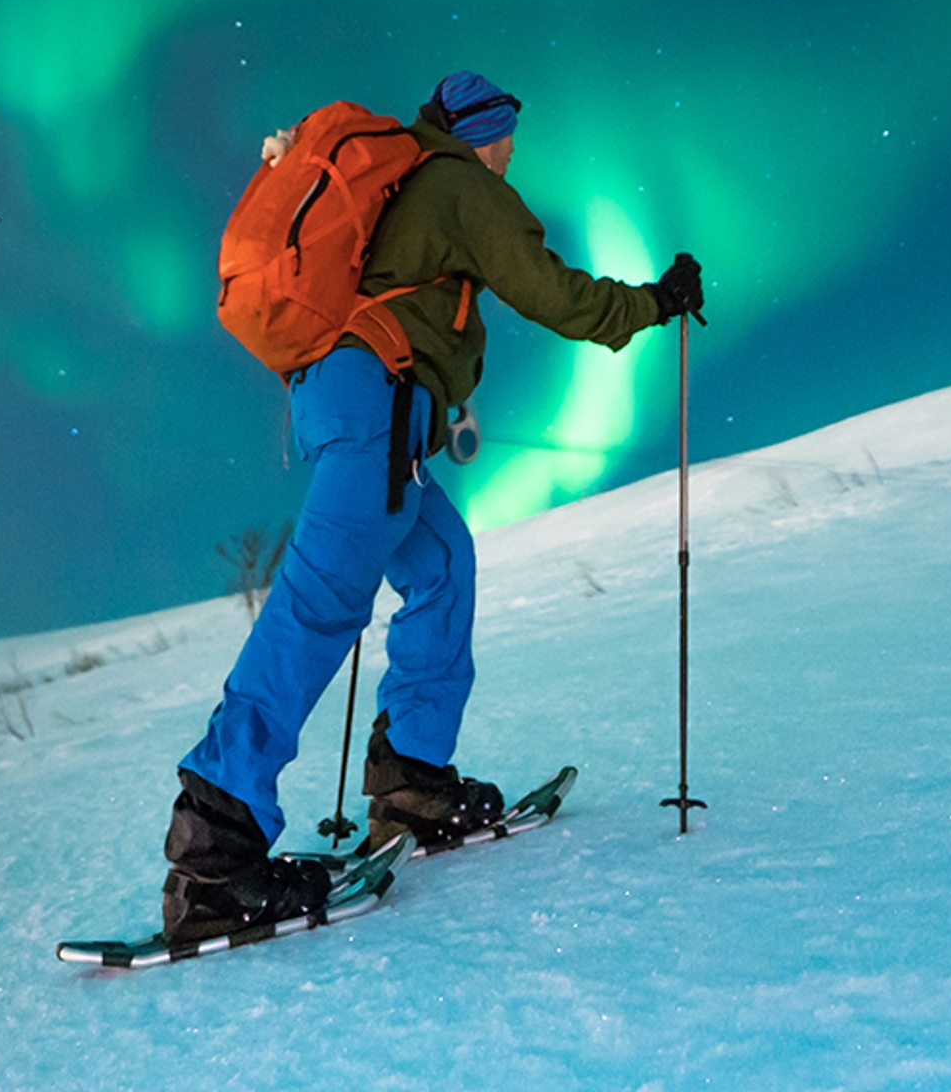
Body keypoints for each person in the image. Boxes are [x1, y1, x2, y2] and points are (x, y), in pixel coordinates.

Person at [158, 70, 704, 943]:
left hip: (372, 411)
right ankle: (216, 850)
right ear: (483, 133)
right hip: (376, 405)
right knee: (320, 605)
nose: (510, 158)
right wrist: (653, 302)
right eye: (507, 143)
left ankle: (411, 779)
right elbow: (551, 292)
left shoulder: (415, 182)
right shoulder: (456, 183)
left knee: (443, 565)